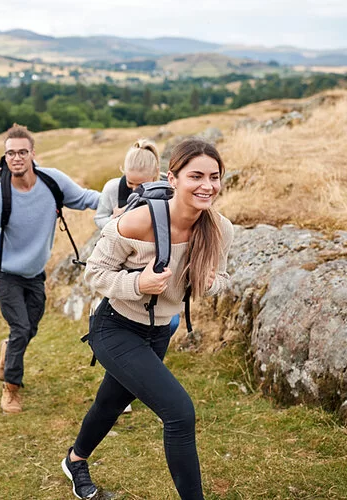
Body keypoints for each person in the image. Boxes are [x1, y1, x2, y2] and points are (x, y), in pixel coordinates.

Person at [62, 138, 234, 499]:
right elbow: (94, 273)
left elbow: (222, 279)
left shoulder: (220, 229)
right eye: (196, 176)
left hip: (158, 334)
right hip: (114, 326)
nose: (207, 185)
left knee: (110, 402)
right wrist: (138, 282)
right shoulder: (138, 221)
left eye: (214, 177)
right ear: (172, 178)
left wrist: (212, 283)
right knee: (179, 412)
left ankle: (75, 459)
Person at [0, 123, 100, 414]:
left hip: (35, 274)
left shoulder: (51, 181)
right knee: (20, 327)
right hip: (6, 275)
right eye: (10, 153)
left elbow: (83, 198)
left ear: (32, 154)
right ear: (4, 157)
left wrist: (117, 202)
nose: (16, 158)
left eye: (22, 152)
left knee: (29, 328)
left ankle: (8, 353)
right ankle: (11, 388)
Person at [94, 139, 179, 414]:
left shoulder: (171, 192)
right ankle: (126, 383)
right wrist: (117, 220)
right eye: (130, 184)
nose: (133, 189)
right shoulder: (111, 188)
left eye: (139, 184)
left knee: (170, 322)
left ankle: (136, 379)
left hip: (158, 274)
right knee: (121, 330)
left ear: (156, 177)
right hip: (117, 268)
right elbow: (100, 218)